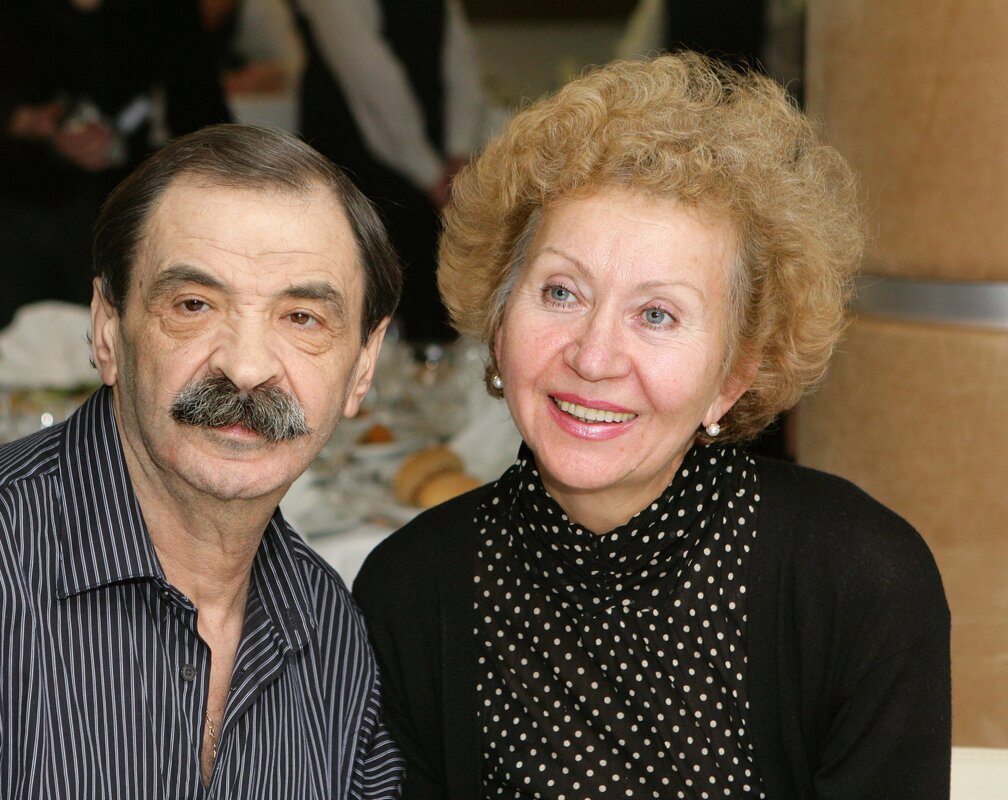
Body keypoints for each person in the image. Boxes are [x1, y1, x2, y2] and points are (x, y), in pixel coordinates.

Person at [354, 52, 951, 799]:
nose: (594, 356)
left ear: (734, 375)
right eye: (562, 292)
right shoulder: (410, 594)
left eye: (658, 314)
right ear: (499, 323)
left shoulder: (859, 585)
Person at [0, 124, 405, 798]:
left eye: (302, 318)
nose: (245, 366)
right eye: (194, 305)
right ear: (106, 330)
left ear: (363, 365)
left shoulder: (330, 629)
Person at [0, 0, 234, 370]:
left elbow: (203, 110)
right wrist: (20, 119)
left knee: (110, 361)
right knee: (3, 360)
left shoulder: (163, 9)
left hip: (120, 214)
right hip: (2, 211)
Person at [292, 0, 487, 344]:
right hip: (356, 167)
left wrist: (458, 155)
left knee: (437, 305)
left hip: (435, 170)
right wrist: (432, 175)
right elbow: (370, 79)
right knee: (365, 304)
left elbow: (461, 67)